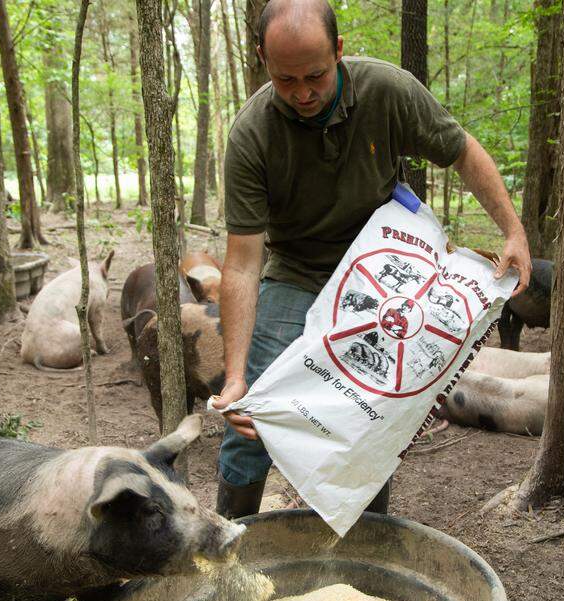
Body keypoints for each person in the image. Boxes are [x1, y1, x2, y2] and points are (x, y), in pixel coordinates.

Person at [210, 0, 532, 518]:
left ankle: (368, 550)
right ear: (263, 61)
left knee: (369, 414)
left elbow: (463, 151)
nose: (303, 93)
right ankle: (226, 542)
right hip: (297, 272)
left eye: (315, 75)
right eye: (285, 79)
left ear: (338, 51)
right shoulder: (252, 134)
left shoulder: (386, 90)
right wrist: (232, 378)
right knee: (254, 414)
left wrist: (512, 230)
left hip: (383, 271)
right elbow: (243, 264)